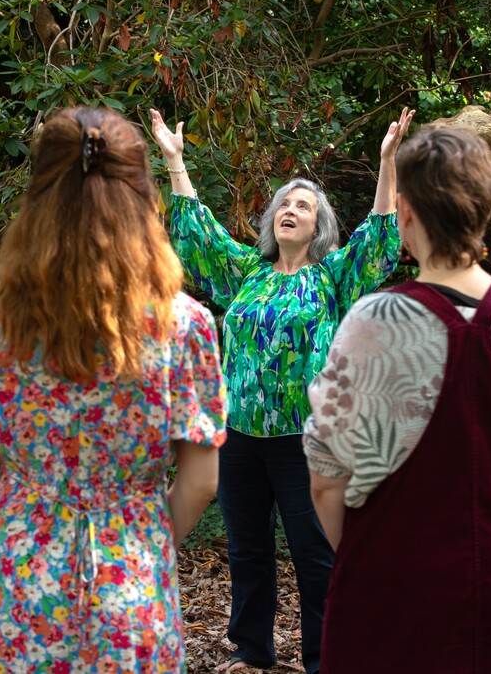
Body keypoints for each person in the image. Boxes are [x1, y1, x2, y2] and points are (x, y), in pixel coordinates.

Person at [0, 106, 225, 673]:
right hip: (134, 588)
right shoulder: (184, 324)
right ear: (143, 194)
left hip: (18, 586)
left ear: (40, 191)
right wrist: (141, 539)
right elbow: (200, 483)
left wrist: (23, 531)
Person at [303, 124, 491, 673]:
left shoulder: (373, 321)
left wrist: (369, 562)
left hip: (390, 608)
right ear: (485, 214)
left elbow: (325, 476)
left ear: (404, 211)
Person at [150, 106, 411, 673]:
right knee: (248, 551)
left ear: (319, 228)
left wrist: (388, 162)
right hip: (240, 436)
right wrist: (175, 160)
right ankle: (252, 651)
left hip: (306, 442)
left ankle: (324, 658)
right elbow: (198, 234)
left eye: (304, 207)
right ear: (272, 221)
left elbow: (379, 241)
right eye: (284, 205)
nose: (291, 211)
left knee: (315, 556)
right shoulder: (246, 271)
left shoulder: (334, 276)